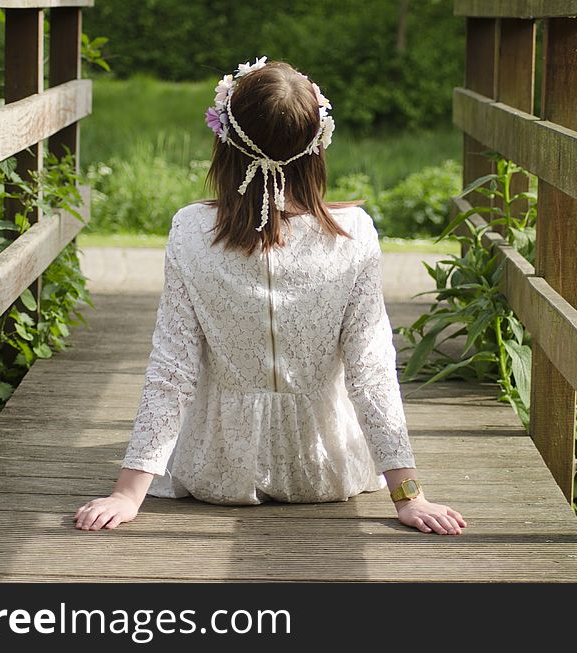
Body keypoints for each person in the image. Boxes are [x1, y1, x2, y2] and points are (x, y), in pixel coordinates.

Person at [74, 57, 467, 536]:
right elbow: (372, 370)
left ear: (225, 141)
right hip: (325, 469)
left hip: (217, 471)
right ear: (318, 145)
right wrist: (409, 496)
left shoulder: (191, 230)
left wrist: (127, 493)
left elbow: (171, 368)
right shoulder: (354, 234)